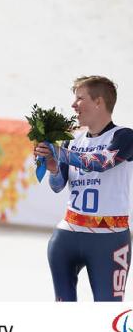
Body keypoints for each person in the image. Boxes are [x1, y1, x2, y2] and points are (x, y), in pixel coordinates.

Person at [34, 76, 133, 301]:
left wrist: (58, 153)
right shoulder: (73, 142)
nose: (73, 105)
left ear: (98, 102)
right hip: (67, 236)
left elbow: (101, 162)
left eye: (80, 98)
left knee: (109, 315)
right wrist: (52, 167)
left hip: (108, 240)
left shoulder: (124, 136)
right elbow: (58, 186)